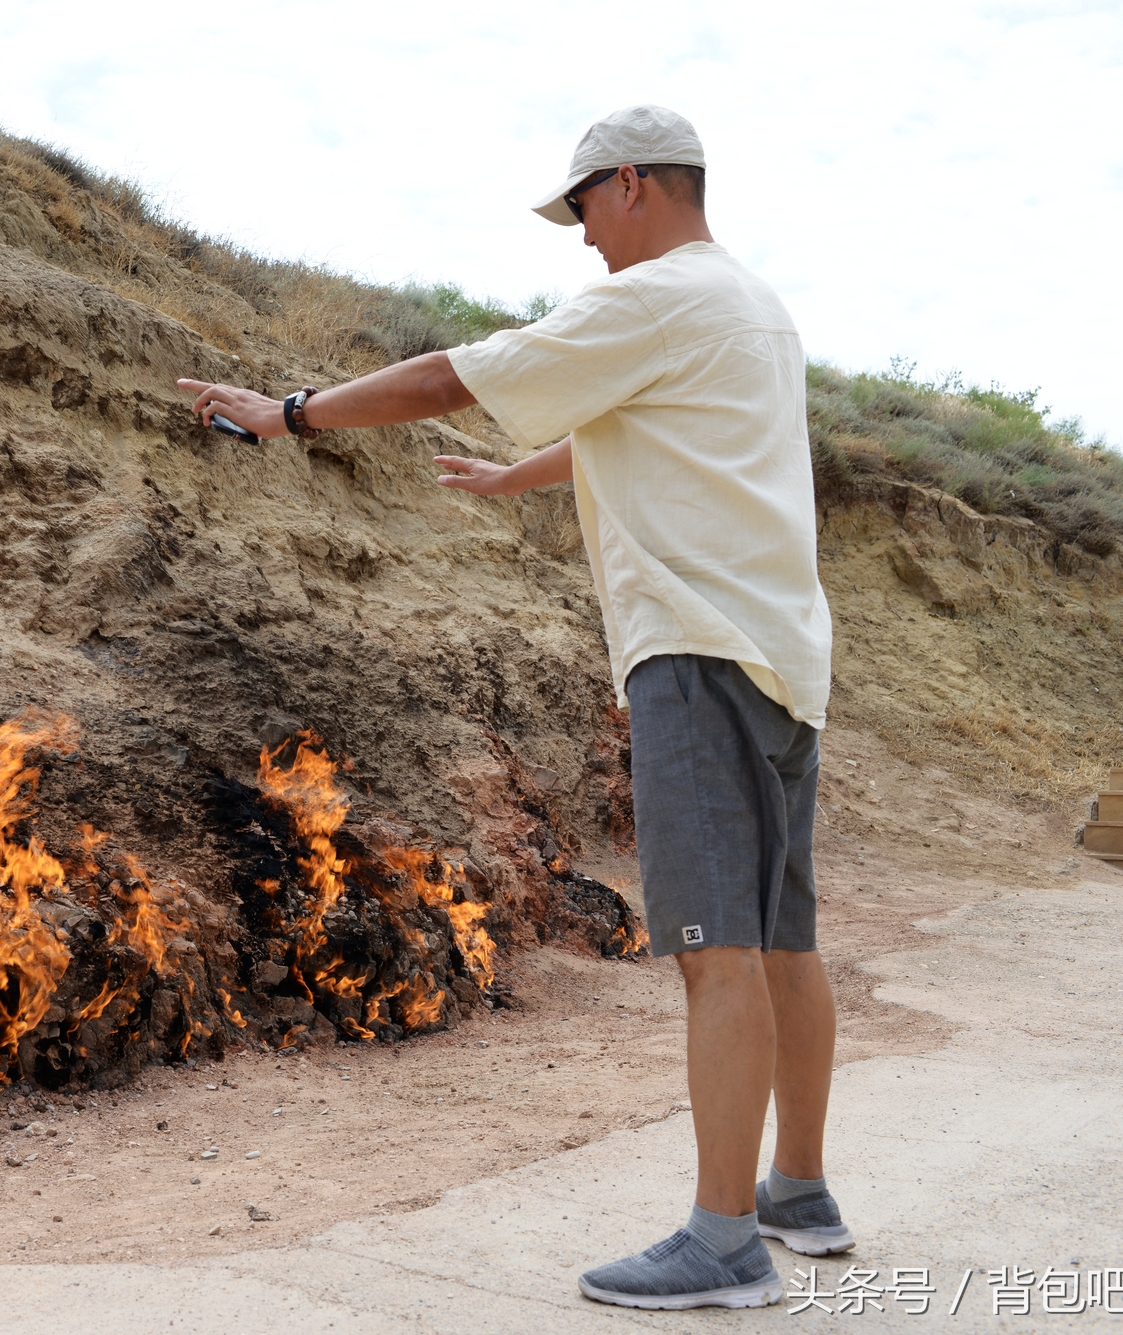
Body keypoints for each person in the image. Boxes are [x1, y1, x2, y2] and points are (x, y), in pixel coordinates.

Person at [178, 104, 849, 1311]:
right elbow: (643, 429)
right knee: (784, 941)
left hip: (693, 654)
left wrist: (285, 412)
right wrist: (511, 474)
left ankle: (723, 1240)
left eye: (584, 208)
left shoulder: (648, 297)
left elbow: (451, 374)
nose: (582, 240)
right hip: (782, 660)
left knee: (717, 953)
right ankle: (797, 1189)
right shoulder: (746, 305)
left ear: (632, 184)